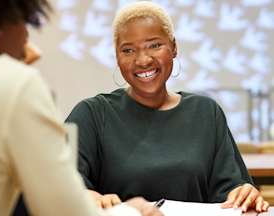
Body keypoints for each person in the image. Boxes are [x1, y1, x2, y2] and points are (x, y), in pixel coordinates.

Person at [0, 1, 164, 216]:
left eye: (154, 45)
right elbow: (64, 210)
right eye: (26, 23)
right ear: (1, 24)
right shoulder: (16, 84)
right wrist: (129, 211)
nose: (27, 40)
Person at [65, 1, 270, 213]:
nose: (143, 60)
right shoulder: (92, 114)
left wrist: (244, 194)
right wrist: (87, 196)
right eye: (128, 50)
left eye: (154, 45)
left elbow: (230, 193)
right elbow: (61, 186)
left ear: (174, 47)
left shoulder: (206, 113)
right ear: (117, 57)